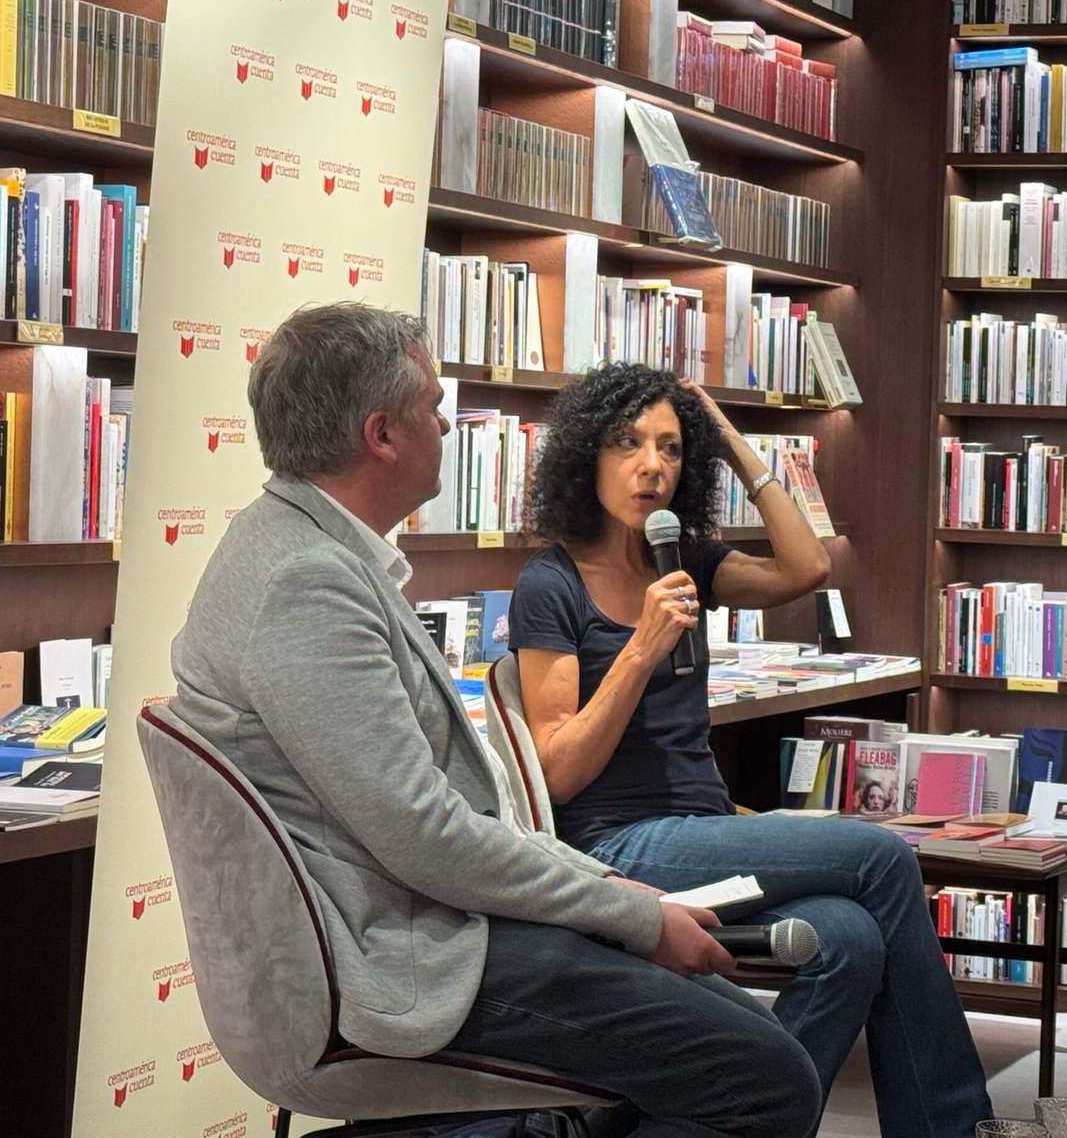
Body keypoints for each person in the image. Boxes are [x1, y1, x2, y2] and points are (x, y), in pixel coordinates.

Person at [168, 303, 824, 1138]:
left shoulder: (304, 552)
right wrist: (624, 909)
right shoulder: (307, 584)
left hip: (419, 922)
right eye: (434, 407)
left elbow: (431, 822)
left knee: (741, 1035)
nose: (446, 425)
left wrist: (606, 891)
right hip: (399, 959)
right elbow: (424, 835)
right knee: (768, 1078)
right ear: (382, 435)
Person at [509, 362, 994, 1136]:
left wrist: (731, 443)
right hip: (616, 844)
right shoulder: (552, 584)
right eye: (629, 443)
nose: (652, 466)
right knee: (882, 858)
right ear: (585, 455)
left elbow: (808, 566)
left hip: (702, 829)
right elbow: (559, 772)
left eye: (672, 448)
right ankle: (953, 1128)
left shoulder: (684, 558)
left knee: (849, 937)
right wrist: (641, 648)